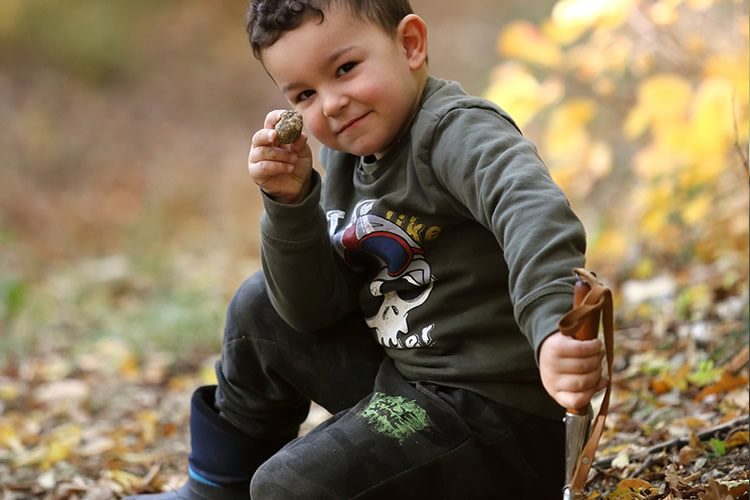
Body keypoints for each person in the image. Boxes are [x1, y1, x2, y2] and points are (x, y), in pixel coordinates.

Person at [127, 0, 607, 498]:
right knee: (258, 309)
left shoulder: (455, 132)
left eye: (345, 69)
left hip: (497, 417)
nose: (331, 102)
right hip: (406, 375)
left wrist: (552, 327)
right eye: (305, 93)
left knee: (287, 488)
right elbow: (308, 313)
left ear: (410, 45)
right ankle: (214, 490)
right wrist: (290, 204)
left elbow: (530, 208)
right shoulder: (342, 156)